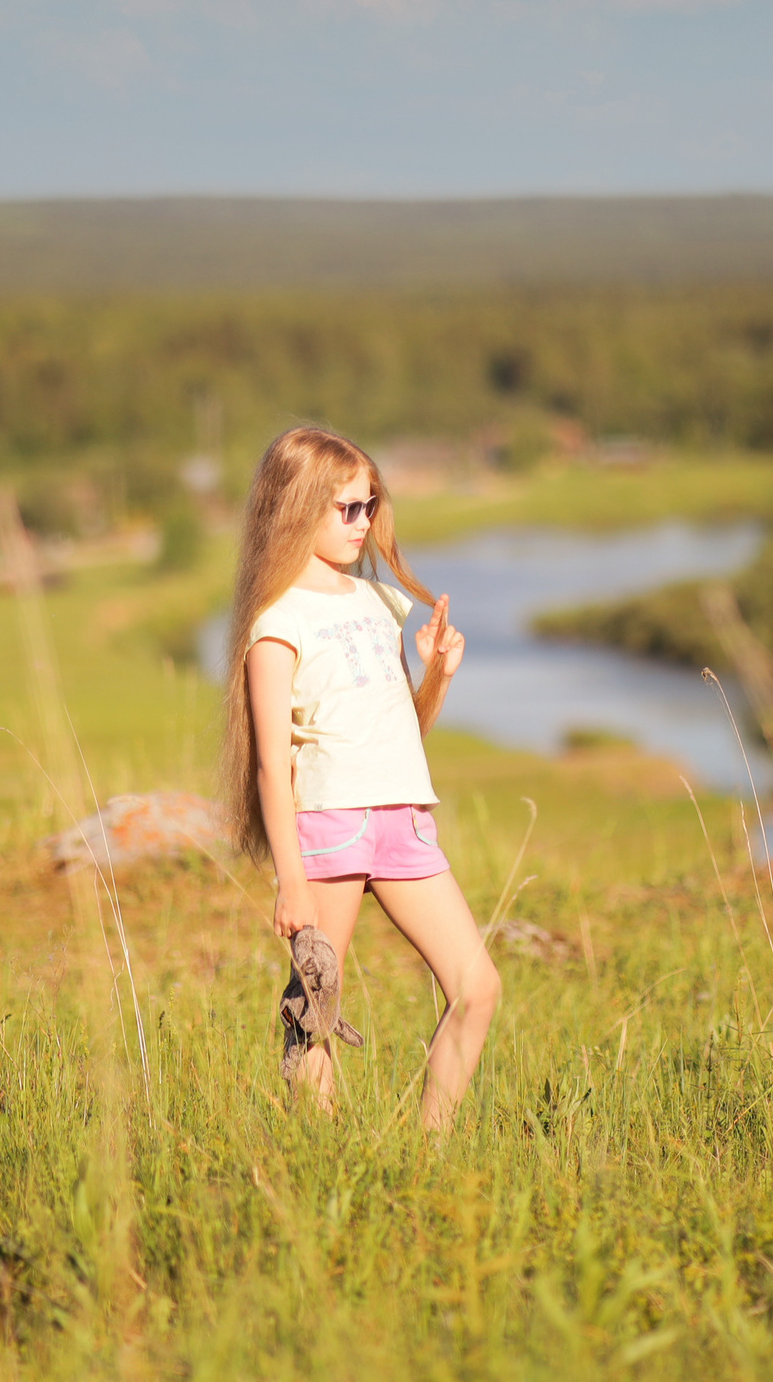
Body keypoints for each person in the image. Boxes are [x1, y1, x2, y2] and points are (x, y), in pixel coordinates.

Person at [220, 425, 500, 1129]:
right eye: (346, 508)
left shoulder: (379, 603)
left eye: (369, 505)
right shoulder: (277, 619)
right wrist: (290, 877)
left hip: (403, 820)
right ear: (296, 507)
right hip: (328, 829)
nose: (363, 522)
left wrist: (437, 672)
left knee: (479, 988)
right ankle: (324, 1156)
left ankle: (427, 1155)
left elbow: (397, 731)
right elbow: (270, 763)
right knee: (315, 1008)